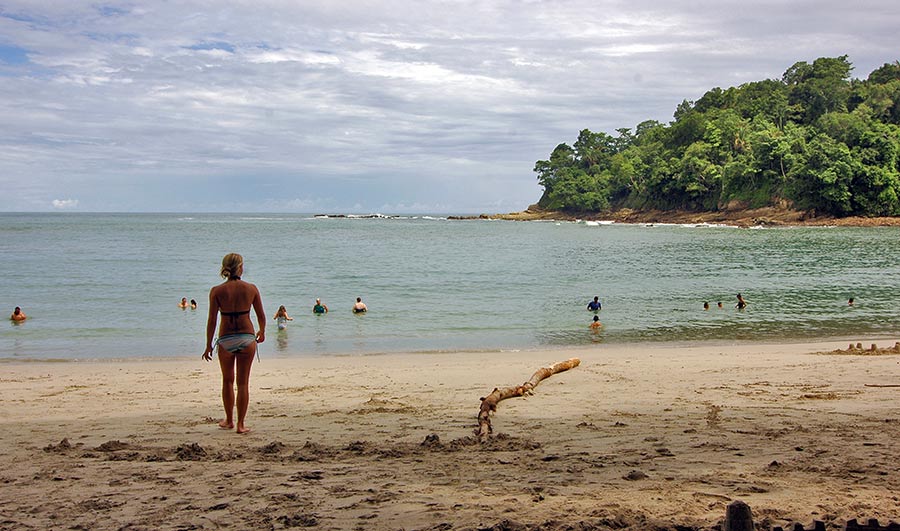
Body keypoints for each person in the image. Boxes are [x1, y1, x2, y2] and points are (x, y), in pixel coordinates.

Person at [202, 253, 266, 434]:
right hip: (246, 337)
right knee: (243, 383)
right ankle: (241, 425)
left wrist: (208, 345)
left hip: (226, 339)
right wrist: (262, 331)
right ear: (240, 268)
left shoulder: (216, 291)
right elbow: (261, 315)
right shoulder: (251, 289)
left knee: (228, 380)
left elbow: (212, 321)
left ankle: (229, 420)